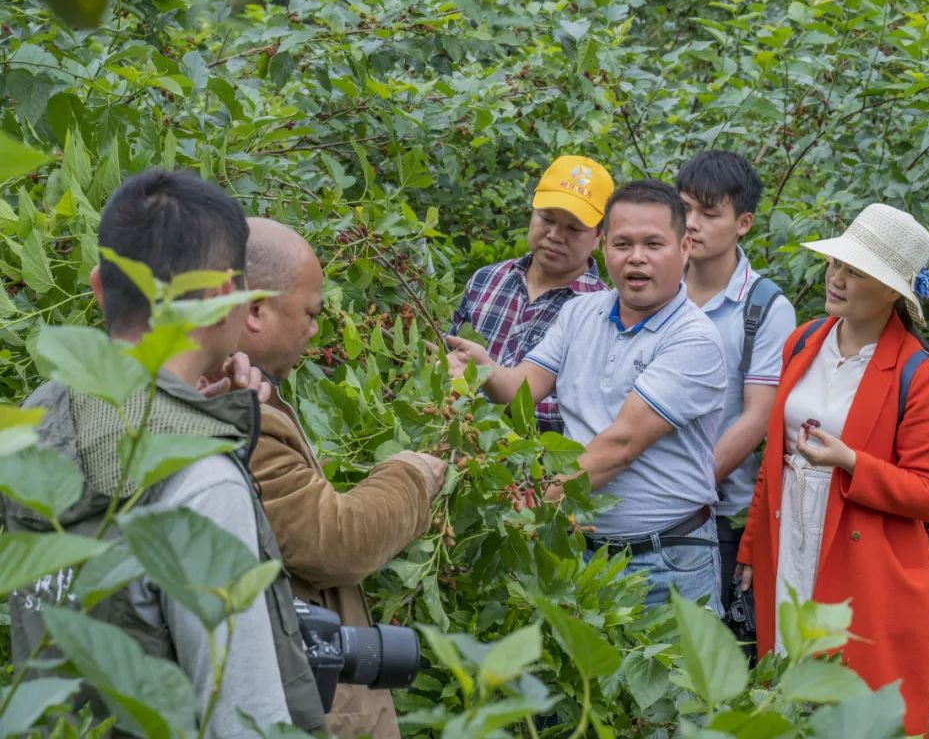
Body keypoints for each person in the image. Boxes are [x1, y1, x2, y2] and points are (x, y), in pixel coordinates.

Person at [4, 170, 326, 736]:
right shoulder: (200, 481)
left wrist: (203, 415)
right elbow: (243, 719)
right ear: (227, 297)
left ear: (100, 286)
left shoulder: (34, 423)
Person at [447, 180, 727, 611]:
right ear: (604, 248)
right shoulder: (581, 312)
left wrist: (524, 508)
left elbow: (618, 448)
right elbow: (522, 388)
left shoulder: (694, 340)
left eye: (653, 244)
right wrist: (483, 371)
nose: (636, 257)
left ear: (685, 246)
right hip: (584, 550)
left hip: (666, 560)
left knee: (675, 677)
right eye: (623, 243)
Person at [736, 203, 929, 736]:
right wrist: (751, 547)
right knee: (787, 687)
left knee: (860, 703)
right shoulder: (805, 341)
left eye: (856, 271)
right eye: (837, 263)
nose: (836, 278)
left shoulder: (925, 376)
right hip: (790, 533)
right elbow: (774, 456)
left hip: (867, 560)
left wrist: (851, 462)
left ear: (892, 292)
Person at [238, 217, 447, 739]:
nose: (315, 329)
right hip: (300, 704)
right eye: (308, 313)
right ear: (256, 309)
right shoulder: (235, 412)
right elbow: (333, 541)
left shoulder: (246, 397)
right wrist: (411, 474)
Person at [677, 151, 796, 614]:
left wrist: (685, 485)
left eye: (709, 213)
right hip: (641, 505)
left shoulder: (765, 306)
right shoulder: (654, 288)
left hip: (720, 513)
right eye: (684, 208)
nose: (692, 224)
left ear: (743, 222)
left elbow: (757, 416)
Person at [448, 155, 613, 433]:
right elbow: (447, 359)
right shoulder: (486, 280)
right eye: (546, 218)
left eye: (574, 228)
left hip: (537, 465)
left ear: (599, 236)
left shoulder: (603, 313)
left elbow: (584, 415)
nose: (555, 235)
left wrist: (485, 386)